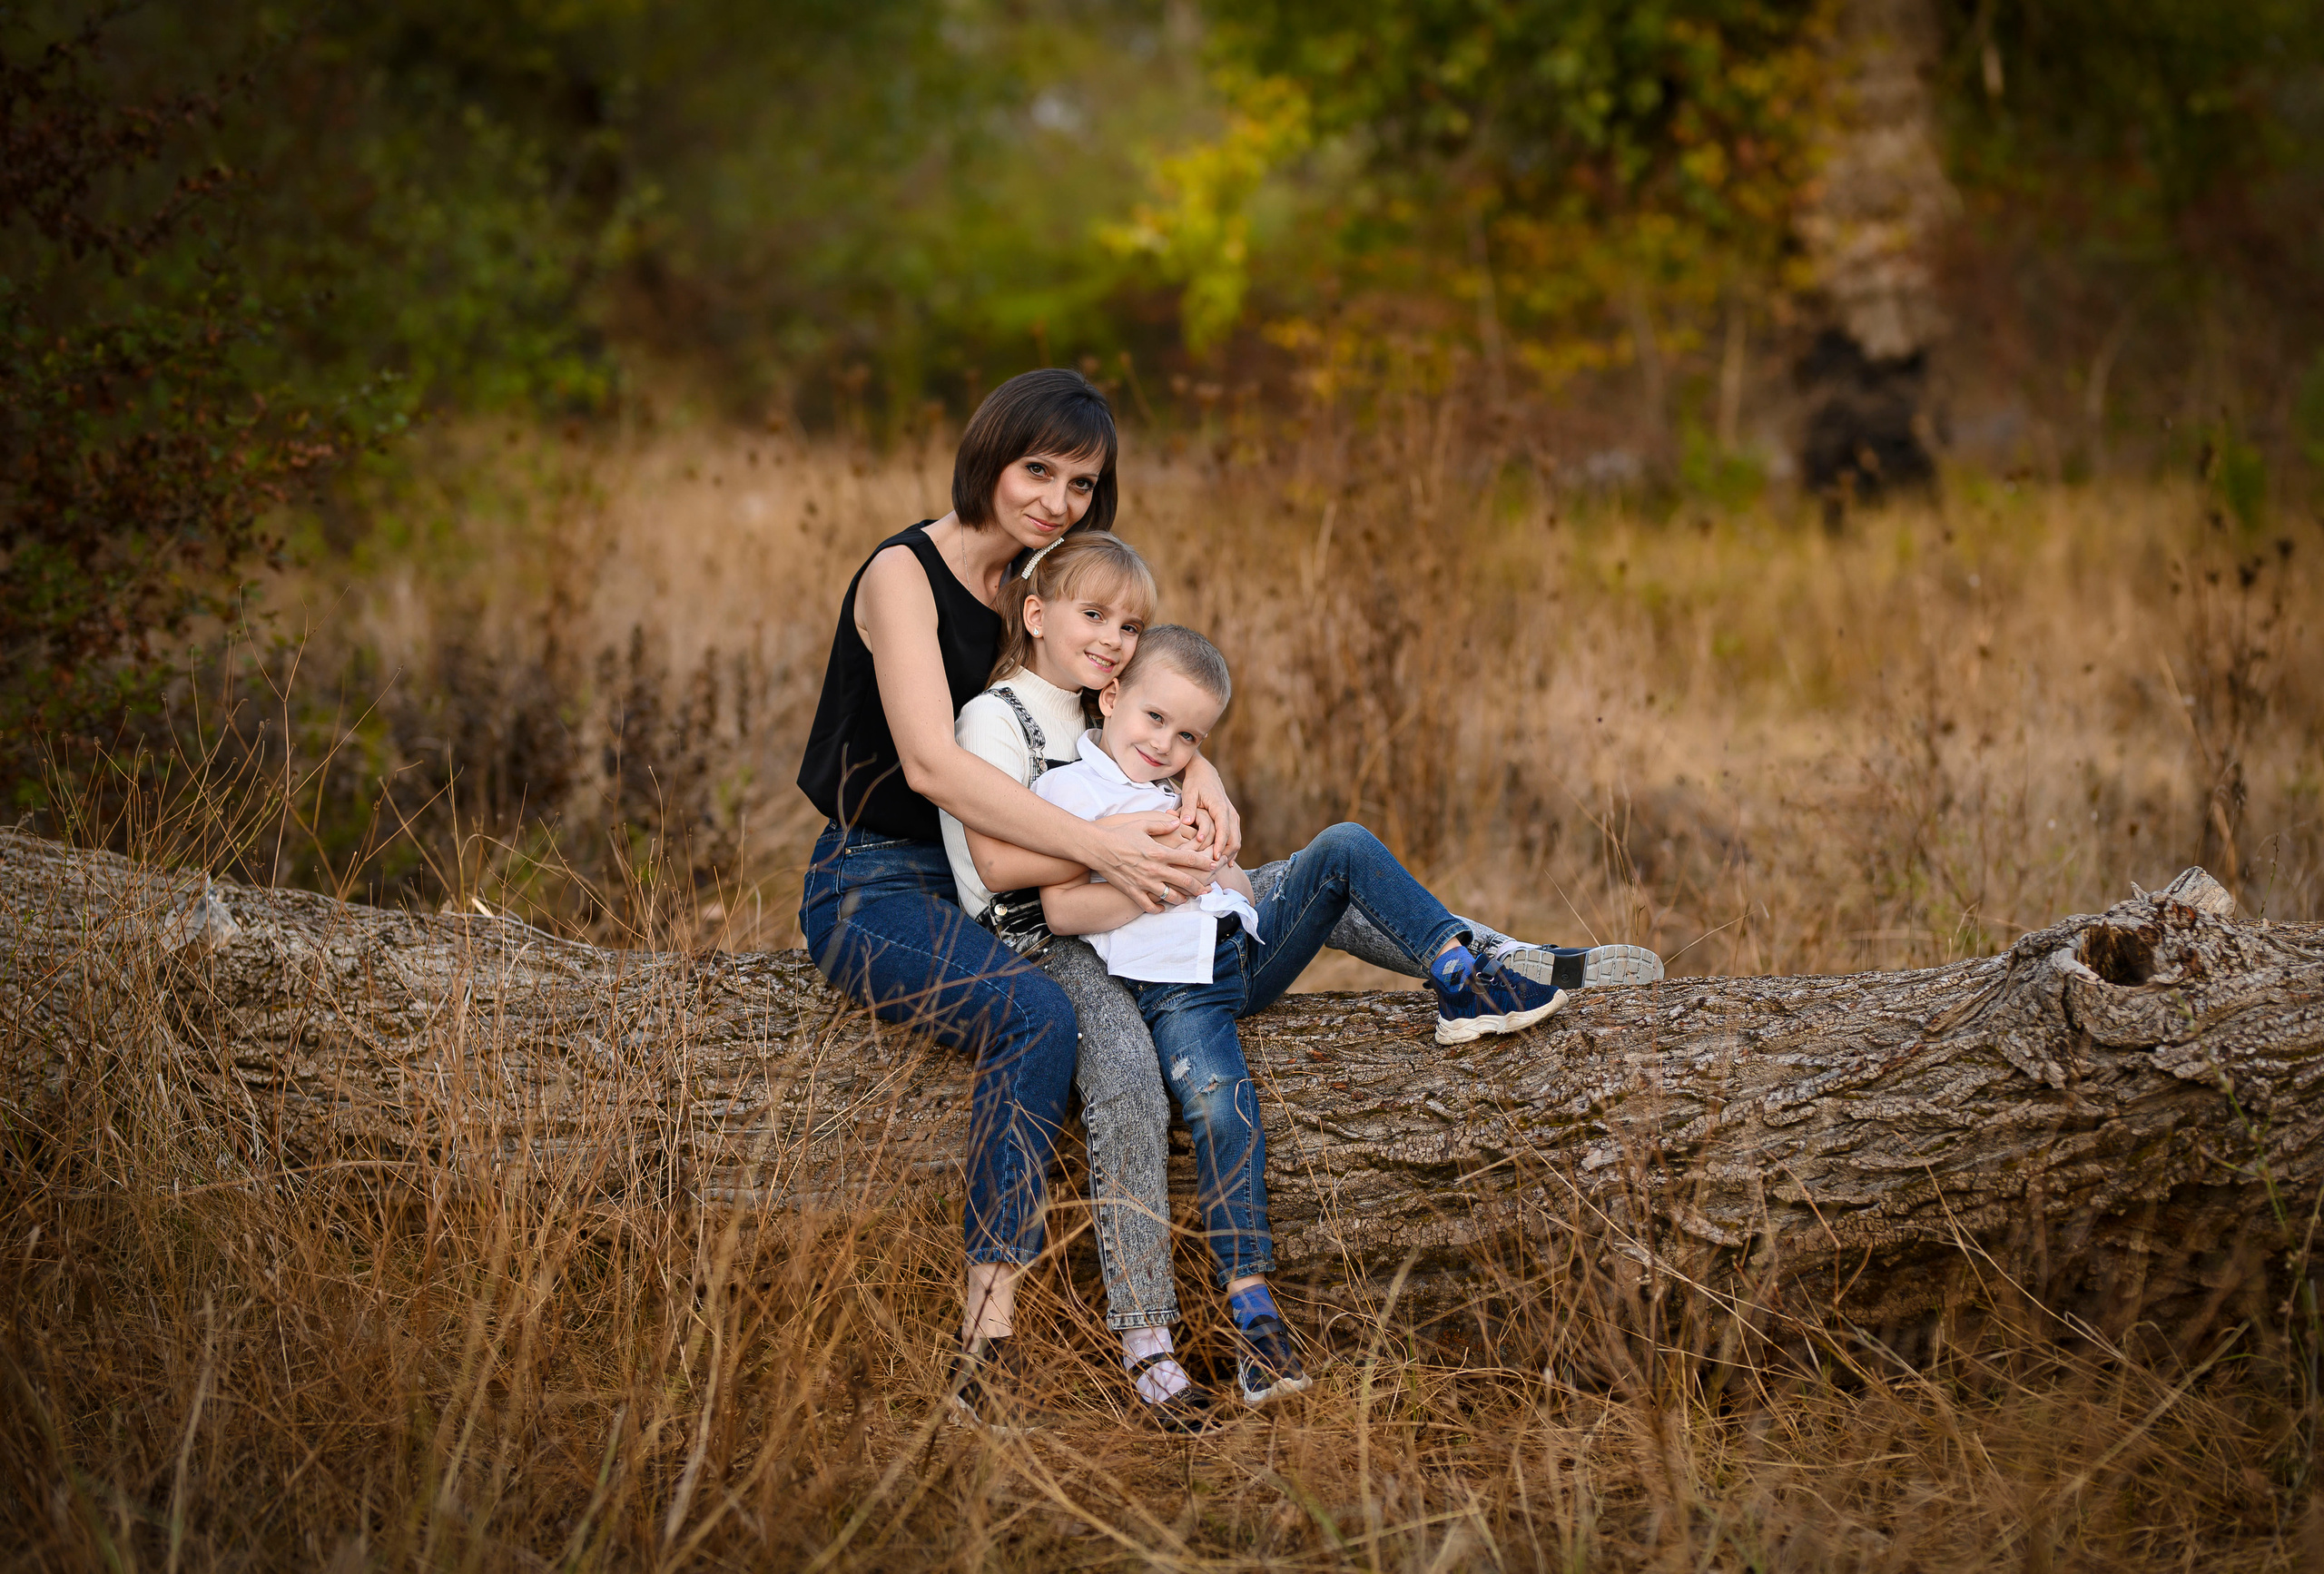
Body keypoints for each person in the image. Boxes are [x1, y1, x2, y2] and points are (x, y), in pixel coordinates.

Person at [794, 369, 1237, 1433]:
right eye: (1037, 468)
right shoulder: (906, 574)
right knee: (1032, 1017)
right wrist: (1098, 848)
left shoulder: (1054, 587)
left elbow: (1146, 701)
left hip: (1013, 890)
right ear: (990, 453)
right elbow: (934, 769)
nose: (1054, 498)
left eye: (1081, 482)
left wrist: (1200, 774)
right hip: (877, 881)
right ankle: (982, 1349)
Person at [1030, 625, 1624, 1406]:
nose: (1167, 744)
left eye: (1189, 736)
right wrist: (1170, 884)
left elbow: (1219, 860)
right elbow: (1062, 910)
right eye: (1153, 721)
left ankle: (1459, 976)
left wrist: (1231, 879)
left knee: (1343, 845)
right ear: (1111, 698)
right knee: (1221, 1110)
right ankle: (1255, 1319)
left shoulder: (1174, 782)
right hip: (1177, 990)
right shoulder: (1069, 793)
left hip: (1242, 949)